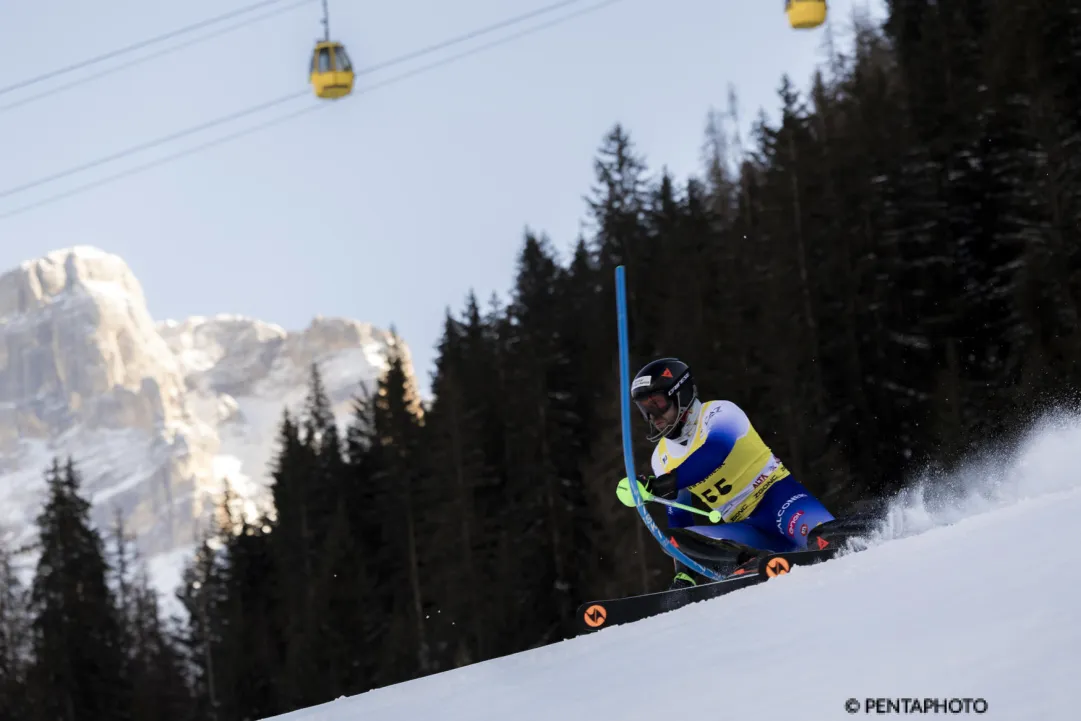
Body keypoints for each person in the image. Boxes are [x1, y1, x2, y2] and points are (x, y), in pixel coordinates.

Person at [616, 357, 835, 590]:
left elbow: (713, 454)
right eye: (644, 410)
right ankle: (748, 563)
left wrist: (661, 485)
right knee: (673, 538)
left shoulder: (720, 413)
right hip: (746, 531)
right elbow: (679, 518)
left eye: (657, 404)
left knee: (824, 539)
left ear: (681, 394)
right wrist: (685, 573)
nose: (653, 417)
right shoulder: (661, 458)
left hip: (780, 501)